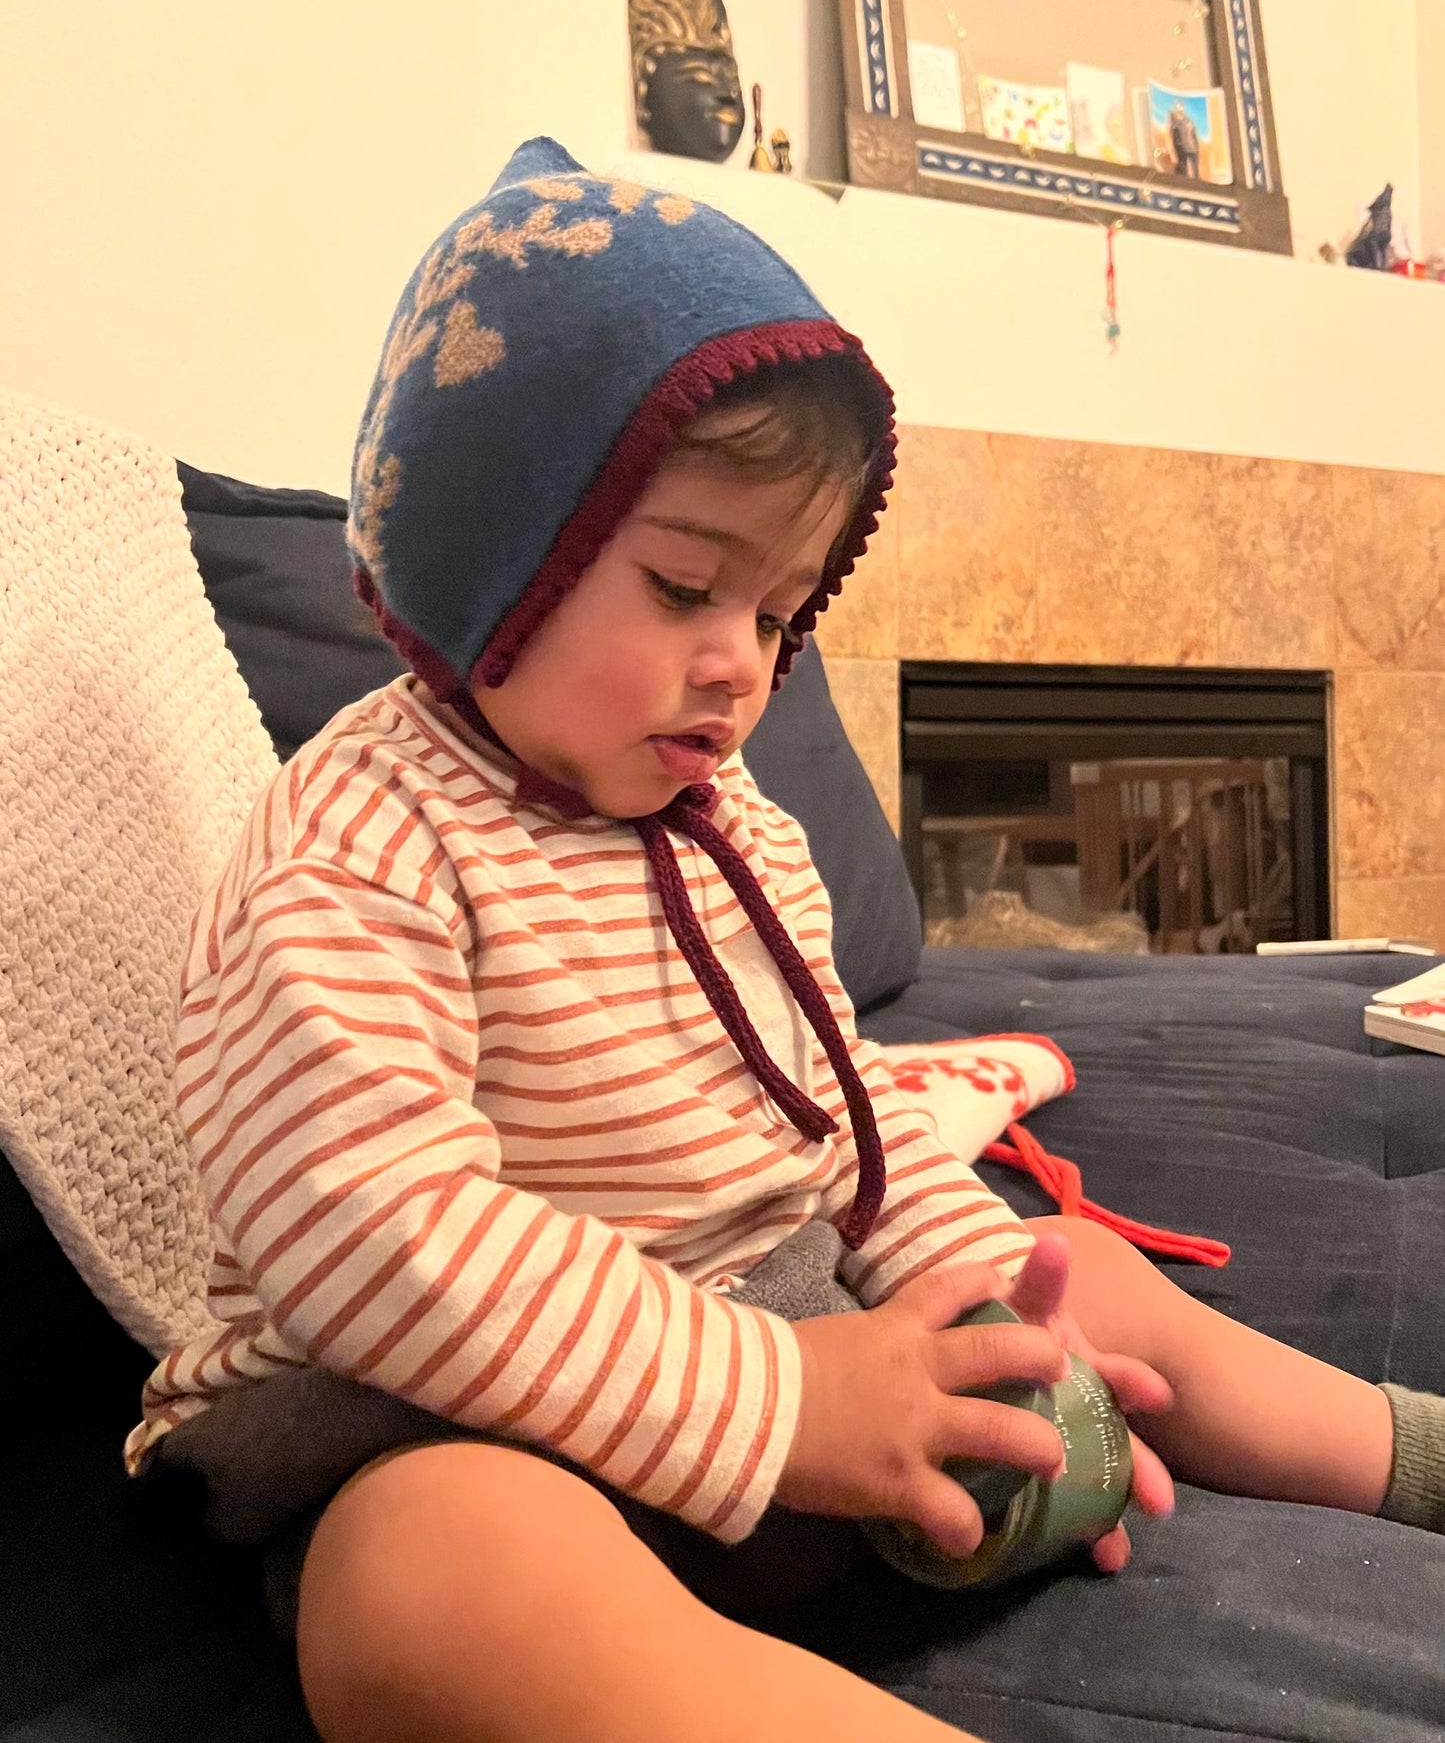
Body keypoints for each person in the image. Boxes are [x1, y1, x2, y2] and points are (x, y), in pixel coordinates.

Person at [128, 138, 1445, 1743]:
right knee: (424, 1576)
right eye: (685, 584)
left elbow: (848, 1109)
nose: (738, 666)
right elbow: (368, 1232)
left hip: (793, 1353)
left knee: (1075, 1265)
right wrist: (775, 1403)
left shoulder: (733, 824)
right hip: (458, 1412)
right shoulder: (359, 840)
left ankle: (1402, 1450)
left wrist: (995, 1357)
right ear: (491, 559)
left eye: (775, 614)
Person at [1168, 100, 1201, 179]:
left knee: (1195, 171)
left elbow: (1194, 135)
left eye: (1181, 107)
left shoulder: (1189, 121)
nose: (1180, 110)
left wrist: (1197, 147)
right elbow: (1173, 138)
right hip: (1182, 150)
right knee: (1183, 171)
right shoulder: (1174, 123)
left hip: (1193, 148)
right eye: (1178, 108)